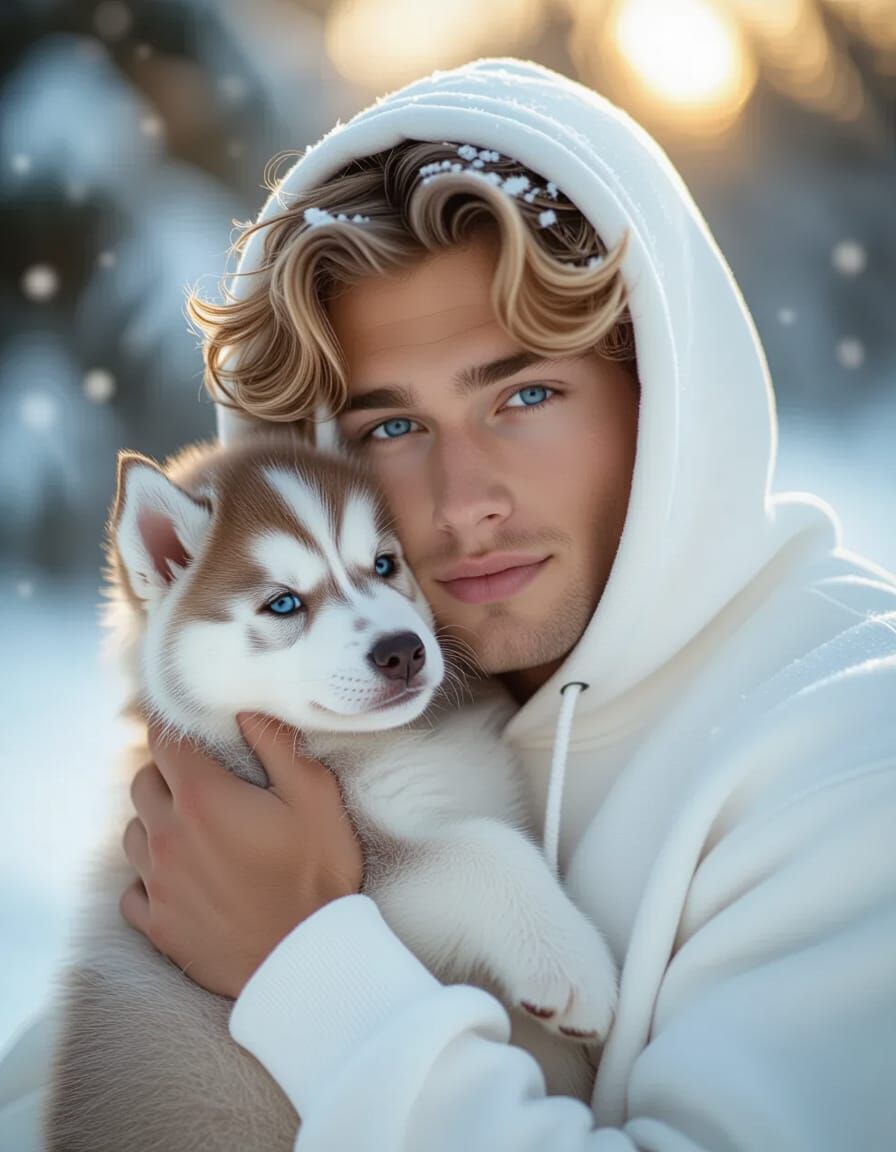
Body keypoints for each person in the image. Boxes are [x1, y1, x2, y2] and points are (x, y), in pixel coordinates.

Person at [2, 56, 895, 1151]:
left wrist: (305, 963)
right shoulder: (345, 723)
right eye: (389, 428)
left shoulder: (855, 753)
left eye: (524, 394)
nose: (461, 504)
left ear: (661, 391)